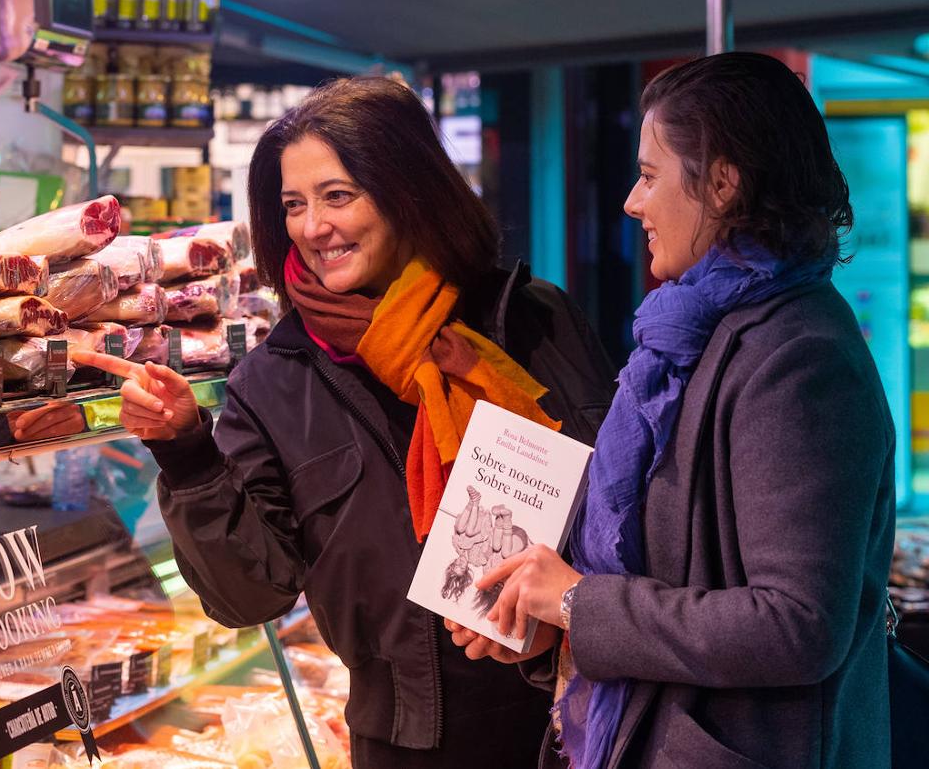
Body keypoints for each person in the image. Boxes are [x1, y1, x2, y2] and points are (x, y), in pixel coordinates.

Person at [79, 76, 616, 767]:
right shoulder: (275, 381)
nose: (313, 227)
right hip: (412, 747)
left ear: (408, 189)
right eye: (294, 205)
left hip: (588, 711)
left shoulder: (534, 320)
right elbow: (249, 594)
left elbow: (628, 500)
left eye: (338, 196)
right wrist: (187, 452)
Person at [450, 52, 894, 768]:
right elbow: (665, 576)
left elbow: (797, 625)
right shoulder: (690, 334)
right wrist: (549, 624)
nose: (631, 201)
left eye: (651, 175)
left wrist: (576, 605)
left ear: (722, 184)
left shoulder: (799, 354)